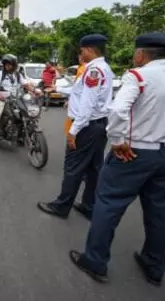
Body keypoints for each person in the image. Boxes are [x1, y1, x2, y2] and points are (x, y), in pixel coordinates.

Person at [68, 32, 165, 285]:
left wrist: (118, 141)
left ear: (141, 54)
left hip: (133, 153)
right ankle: (153, 266)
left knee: (108, 203)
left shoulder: (138, 76)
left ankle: (95, 261)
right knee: (159, 211)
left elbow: (119, 110)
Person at [37, 34, 114, 221]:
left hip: (86, 127)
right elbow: (79, 92)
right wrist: (56, 90)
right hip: (99, 126)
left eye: (81, 51)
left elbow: (87, 104)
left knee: (73, 167)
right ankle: (89, 206)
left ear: (89, 49)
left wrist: (73, 131)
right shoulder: (104, 68)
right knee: (93, 169)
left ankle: (61, 206)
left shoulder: (93, 71)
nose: (80, 54)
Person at [0, 54, 41, 151]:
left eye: (10, 64)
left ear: (14, 65)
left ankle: (20, 136)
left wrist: (35, 90)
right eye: (6, 64)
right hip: (2, 99)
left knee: (25, 114)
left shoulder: (18, 74)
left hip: (16, 99)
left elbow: (26, 85)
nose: (8, 66)